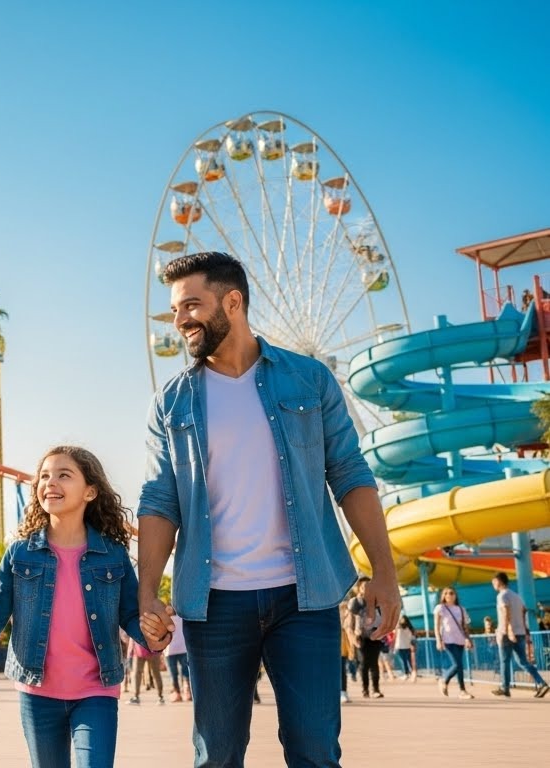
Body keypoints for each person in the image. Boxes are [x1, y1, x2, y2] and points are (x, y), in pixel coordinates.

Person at [136, 252, 401, 766]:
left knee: (315, 752)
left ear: (233, 302)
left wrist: (384, 574)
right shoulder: (170, 403)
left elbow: (350, 474)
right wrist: (149, 592)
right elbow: (159, 500)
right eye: (174, 309)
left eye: (192, 304)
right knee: (216, 757)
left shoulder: (309, 380)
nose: (180, 319)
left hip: (305, 597)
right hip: (214, 604)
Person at [0, 446, 170, 768]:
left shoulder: (112, 554)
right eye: (44, 476)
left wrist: (156, 636)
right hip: (37, 691)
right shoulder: (20, 554)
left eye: (63, 475)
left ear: (90, 491)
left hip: (97, 689)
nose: (50, 482)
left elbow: (129, 615)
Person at [489, 572, 549, 698]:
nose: (493, 585)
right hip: (520, 632)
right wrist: (525, 631)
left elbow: (506, 612)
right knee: (523, 661)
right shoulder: (517, 596)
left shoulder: (502, 596)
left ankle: (505, 688)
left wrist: (506, 631)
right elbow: (523, 612)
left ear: (498, 582)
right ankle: (542, 683)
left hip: (507, 633)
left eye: (493, 582)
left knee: (504, 661)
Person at [347, 576, 385, 698]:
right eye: (364, 587)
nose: (366, 589)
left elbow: (382, 618)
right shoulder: (355, 603)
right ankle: (365, 689)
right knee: (364, 664)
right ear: (359, 588)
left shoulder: (377, 601)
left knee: (374, 663)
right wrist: (353, 637)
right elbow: (350, 622)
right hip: (361, 637)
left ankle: (376, 690)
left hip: (375, 636)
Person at [434, 588, 474, 699]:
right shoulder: (440, 608)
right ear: (443, 596)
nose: (449, 595)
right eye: (446, 593)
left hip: (460, 640)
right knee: (457, 664)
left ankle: (462, 691)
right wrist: (438, 640)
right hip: (447, 640)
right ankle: (444, 680)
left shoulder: (461, 609)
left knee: (460, 666)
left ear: (455, 595)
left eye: (451, 593)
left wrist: (468, 639)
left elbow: (465, 626)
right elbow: (436, 626)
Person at [164, 614, 190, 703]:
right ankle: (187, 693)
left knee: (173, 673)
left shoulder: (165, 619)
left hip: (170, 650)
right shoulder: (183, 617)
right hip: (183, 648)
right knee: (185, 672)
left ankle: (177, 694)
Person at [392, 615, 416, 681]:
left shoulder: (398, 628)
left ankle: (406, 674)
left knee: (403, 661)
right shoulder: (410, 628)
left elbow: (394, 636)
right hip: (407, 646)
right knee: (408, 660)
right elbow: (413, 637)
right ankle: (411, 673)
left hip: (400, 646)